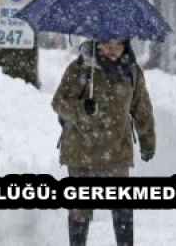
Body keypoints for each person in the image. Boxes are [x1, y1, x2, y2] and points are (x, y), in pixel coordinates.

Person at [52, 39, 156, 246]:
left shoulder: (131, 72)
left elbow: (141, 109)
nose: (112, 50)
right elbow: (58, 102)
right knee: (80, 209)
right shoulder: (80, 68)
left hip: (117, 151)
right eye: (107, 44)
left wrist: (147, 141)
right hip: (81, 151)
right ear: (97, 43)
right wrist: (82, 108)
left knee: (122, 207)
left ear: (125, 46)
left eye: (118, 45)